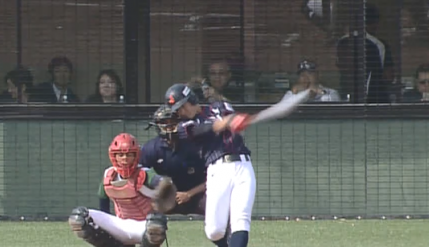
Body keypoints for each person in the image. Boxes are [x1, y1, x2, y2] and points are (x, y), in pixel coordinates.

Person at [164, 83, 316, 247]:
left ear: (191, 99)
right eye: (177, 110)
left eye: (182, 107)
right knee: (214, 231)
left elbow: (233, 121)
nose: (180, 112)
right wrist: (228, 121)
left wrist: (235, 120)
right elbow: (211, 127)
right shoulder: (184, 127)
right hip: (218, 170)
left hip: (243, 166)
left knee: (240, 220)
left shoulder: (220, 106)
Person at [69, 133, 170, 247]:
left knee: (156, 225)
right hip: (120, 224)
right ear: (114, 156)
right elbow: (103, 201)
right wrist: (105, 227)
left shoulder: (144, 173)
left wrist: (161, 194)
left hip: (143, 225)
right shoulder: (109, 174)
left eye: (129, 155)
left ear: (136, 155)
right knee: (79, 217)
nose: (124, 158)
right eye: (120, 155)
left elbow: (164, 184)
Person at [141, 105, 209, 216]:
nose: (169, 127)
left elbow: (214, 177)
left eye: (173, 122)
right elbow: (140, 173)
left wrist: (189, 194)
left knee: (215, 205)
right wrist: (160, 182)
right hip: (166, 195)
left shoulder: (196, 145)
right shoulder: (152, 148)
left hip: (198, 194)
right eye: (165, 122)